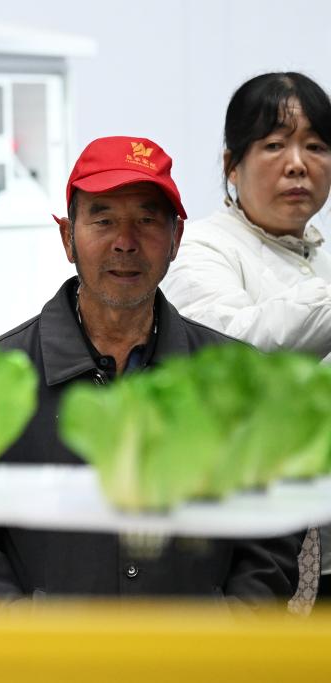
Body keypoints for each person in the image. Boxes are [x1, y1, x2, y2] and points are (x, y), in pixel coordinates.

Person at [0, 136, 302, 615]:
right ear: (67, 237)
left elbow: (273, 532)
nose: (125, 241)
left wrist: (230, 625)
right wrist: (19, 633)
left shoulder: (238, 379)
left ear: (176, 239)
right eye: (103, 220)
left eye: (147, 220)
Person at [163, 72, 331, 611]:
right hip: (253, 545)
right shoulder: (202, 250)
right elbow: (232, 349)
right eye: (275, 145)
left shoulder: (317, 257)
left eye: (316, 146)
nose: (298, 164)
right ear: (231, 165)